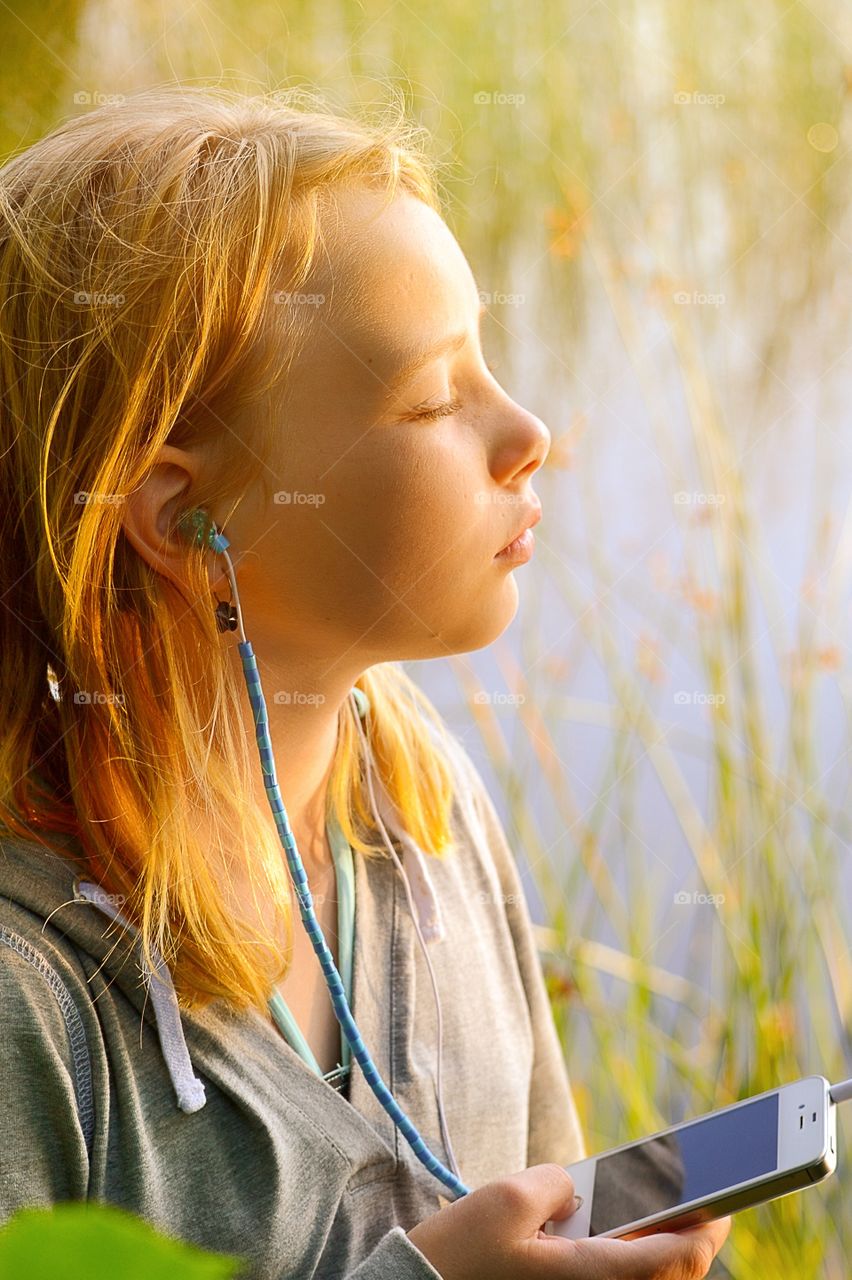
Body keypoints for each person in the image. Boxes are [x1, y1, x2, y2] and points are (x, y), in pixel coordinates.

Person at [0, 85, 730, 1278]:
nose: (529, 429)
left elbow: (550, 1169)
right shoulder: (29, 1001)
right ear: (188, 517)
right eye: (436, 396)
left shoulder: (419, 802)